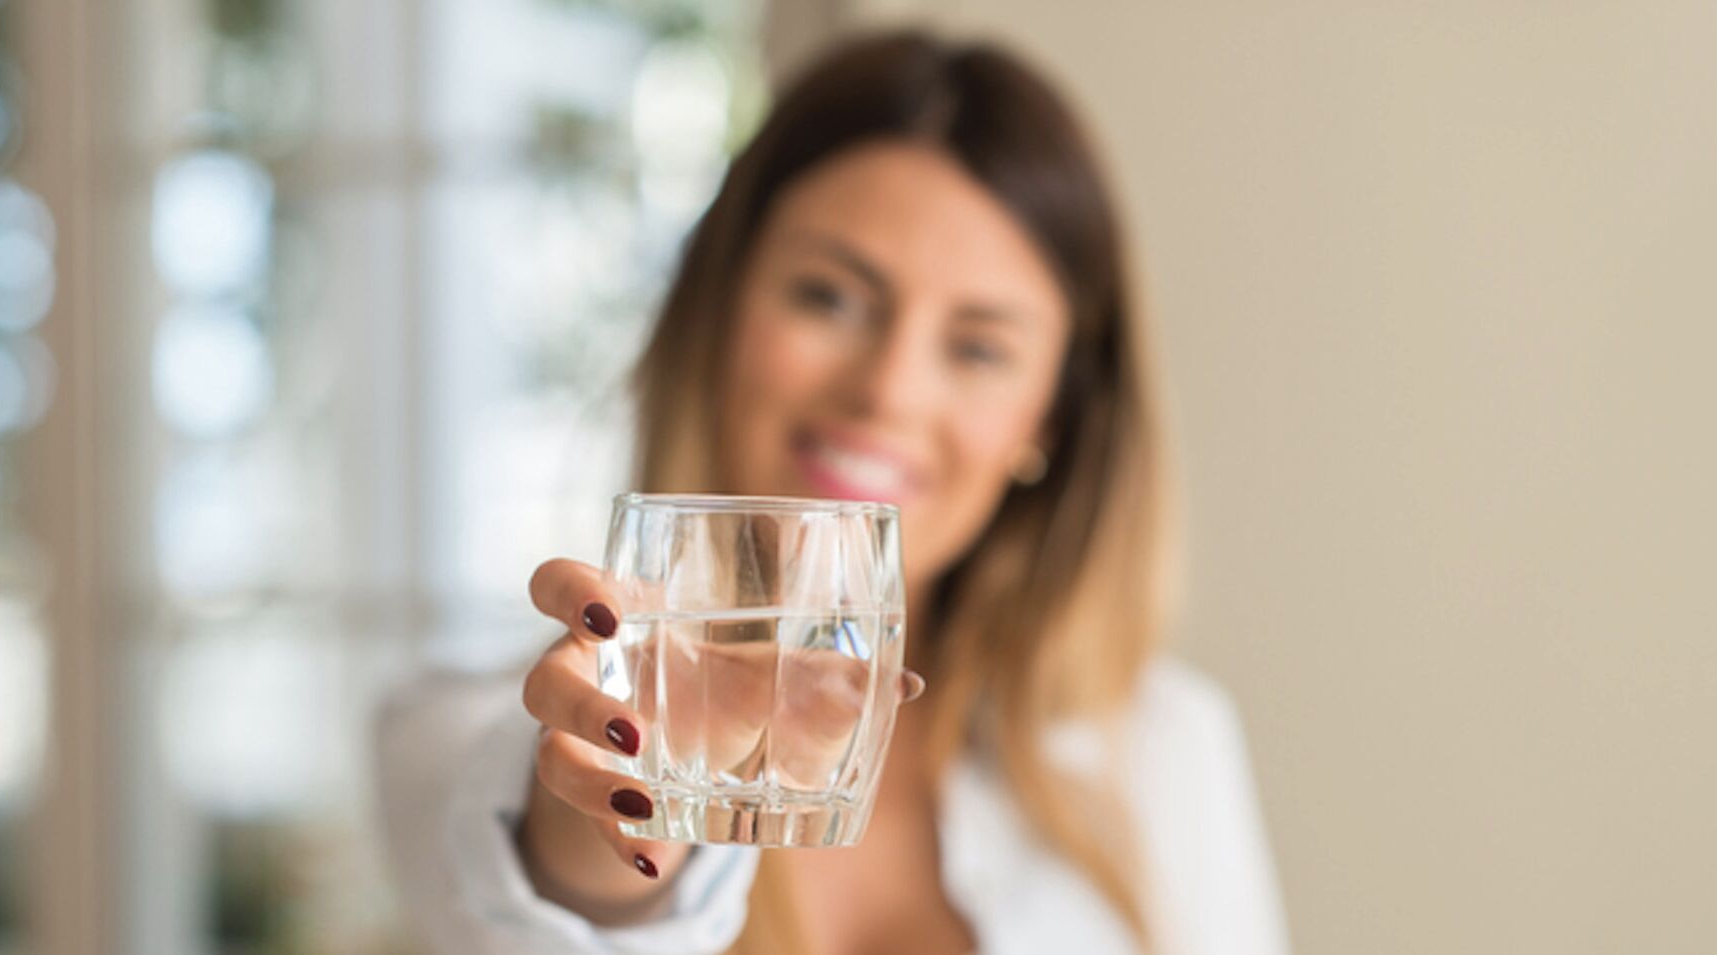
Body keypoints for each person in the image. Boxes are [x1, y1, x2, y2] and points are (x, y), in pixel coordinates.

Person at [375, 29, 1287, 955]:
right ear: (718, 309)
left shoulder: (1167, 750)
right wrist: (623, 799)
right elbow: (543, 901)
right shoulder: (451, 737)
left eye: (978, 347)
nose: (888, 390)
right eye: (830, 298)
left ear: (1050, 418)